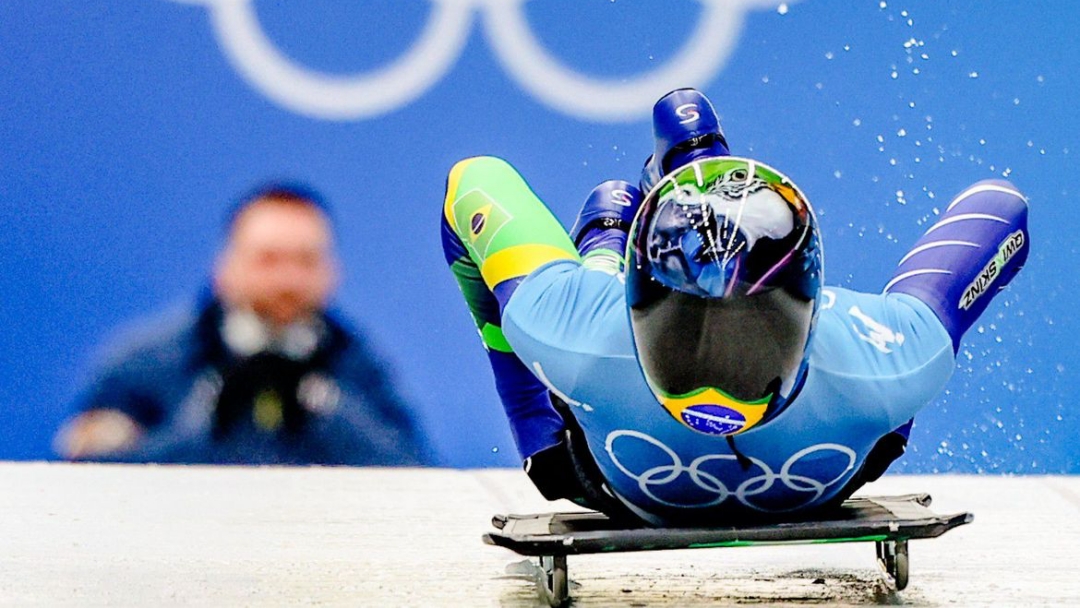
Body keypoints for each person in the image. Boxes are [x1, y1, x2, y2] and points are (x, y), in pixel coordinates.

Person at [441, 88, 1029, 525]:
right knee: (900, 389)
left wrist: (533, 424)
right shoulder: (886, 361)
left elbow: (472, 180)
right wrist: (913, 311)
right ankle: (692, 174)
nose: (715, 380)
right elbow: (1004, 209)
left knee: (608, 209)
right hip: (829, 463)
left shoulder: (575, 332)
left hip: (599, 472)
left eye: (751, 334)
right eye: (685, 329)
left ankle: (631, 219)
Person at [56, 183, 434, 466]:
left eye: (306, 261)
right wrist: (207, 417)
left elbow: (415, 470)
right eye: (268, 260)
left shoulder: (358, 364)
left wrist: (324, 405)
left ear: (333, 272)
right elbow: (87, 477)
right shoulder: (151, 360)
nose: (288, 280)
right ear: (225, 267)